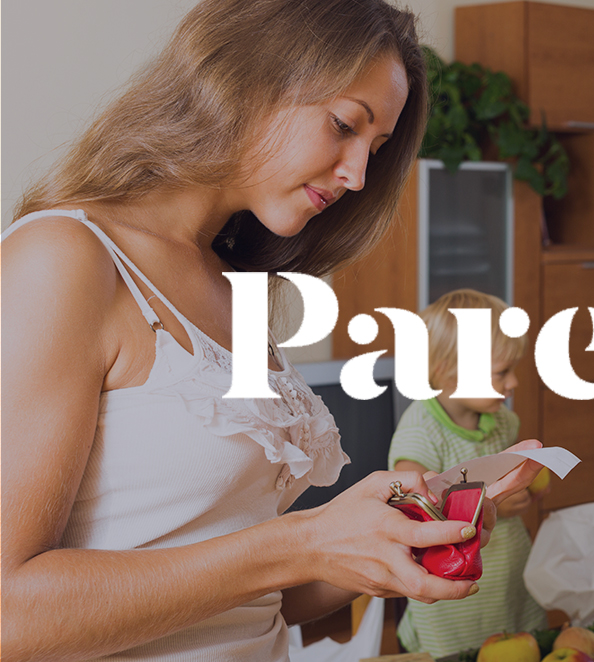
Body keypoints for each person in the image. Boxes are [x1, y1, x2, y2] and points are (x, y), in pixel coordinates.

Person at [0, 1, 543, 660]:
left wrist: (384, 537)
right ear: (244, 79)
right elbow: (10, 613)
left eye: (375, 148)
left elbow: (253, 596)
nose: (358, 176)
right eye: (344, 124)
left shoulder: (236, 288)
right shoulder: (66, 259)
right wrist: (303, 541)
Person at [389, 289, 548, 657]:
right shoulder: (420, 430)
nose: (513, 384)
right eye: (501, 373)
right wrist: (493, 504)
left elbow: (510, 479)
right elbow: (416, 507)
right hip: (455, 596)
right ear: (447, 371)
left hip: (507, 576)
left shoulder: (503, 421)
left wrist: (528, 486)